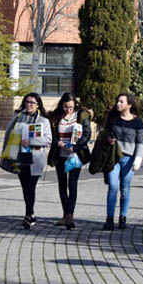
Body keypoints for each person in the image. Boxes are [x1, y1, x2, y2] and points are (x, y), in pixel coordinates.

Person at [1, 93, 52, 229]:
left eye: (32, 103)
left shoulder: (43, 121)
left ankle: (29, 215)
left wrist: (30, 141)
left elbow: (48, 139)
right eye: (27, 102)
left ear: (38, 105)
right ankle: (30, 213)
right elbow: (9, 134)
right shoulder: (17, 118)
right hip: (19, 157)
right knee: (25, 187)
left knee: (31, 186)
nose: (29, 105)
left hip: (35, 158)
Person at [47, 93, 91, 230]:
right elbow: (51, 135)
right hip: (60, 154)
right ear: (62, 105)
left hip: (75, 155)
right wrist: (57, 143)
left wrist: (75, 147)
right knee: (62, 184)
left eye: (71, 107)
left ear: (75, 105)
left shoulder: (81, 115)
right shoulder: (55, 117)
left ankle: (69, 215)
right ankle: (65, 214)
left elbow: (87, 134)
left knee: (72, 184)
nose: (68, 110)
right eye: (66, 107)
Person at [101, 93, 143, 231]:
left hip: (129, 159)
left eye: (121, 101)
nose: (118, 104)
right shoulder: (113, 119)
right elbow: (105, 134)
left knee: (125, 189)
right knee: (113, 186)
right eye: (117, 101)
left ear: (129, 104)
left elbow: (140, 142)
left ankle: (123, 217)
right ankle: (109, 219)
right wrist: (109, 140)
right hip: (114, 157)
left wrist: (138, 159)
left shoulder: (138, 122)